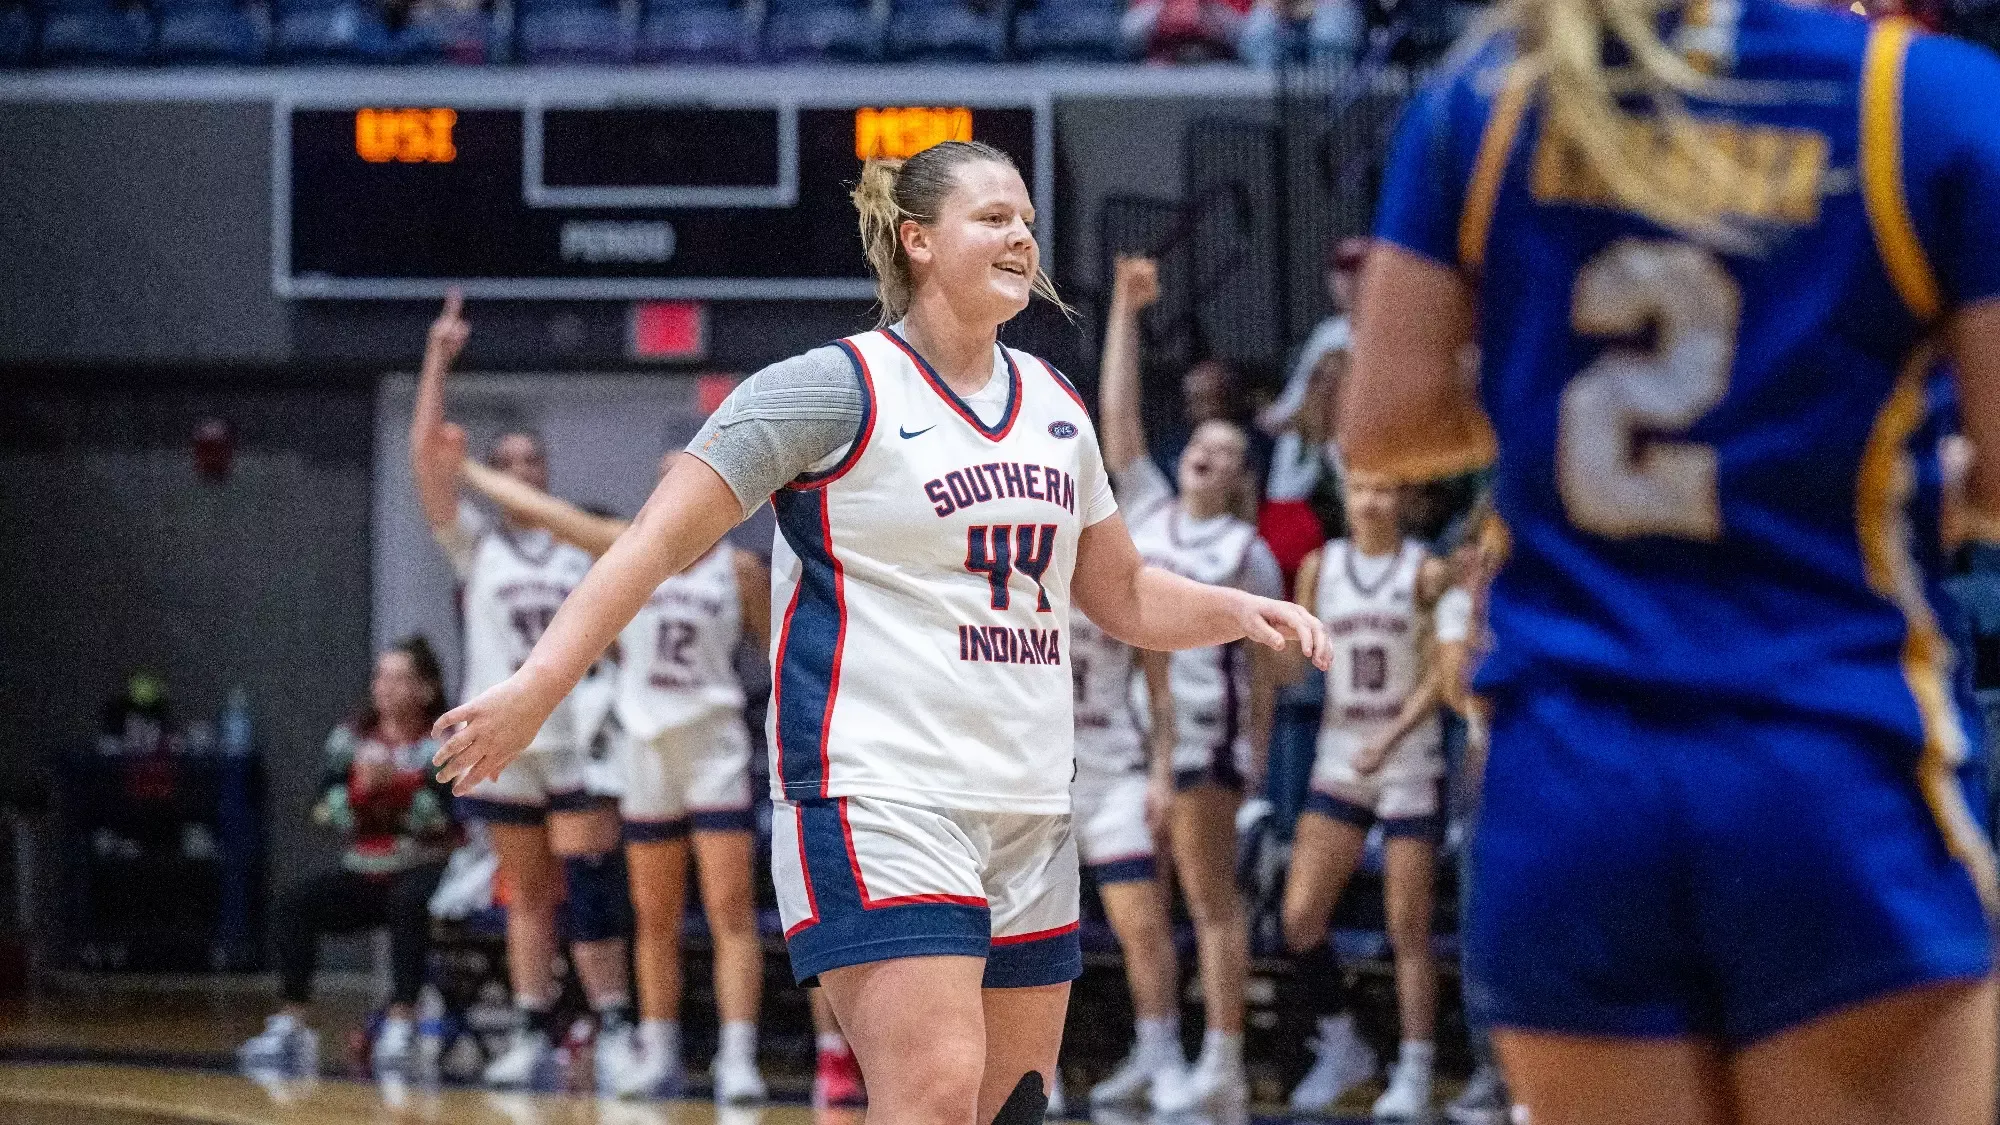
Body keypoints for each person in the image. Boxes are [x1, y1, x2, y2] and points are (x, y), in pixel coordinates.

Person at [430, 139, 1330, 1125]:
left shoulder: (1054, 405)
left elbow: (1118, 596)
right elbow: (648, 545)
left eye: (1026, 219)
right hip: (878, 799)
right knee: (934, 1098)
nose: (1020, 235)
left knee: (1011, 1109)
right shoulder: (828, 389)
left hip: (1027, 803)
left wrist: (1237, 610)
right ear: (916, 241)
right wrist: (536, 686)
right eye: (991, 217)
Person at [1341, 2, 2000, 1121]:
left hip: (1566, 781)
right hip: (1827, 762)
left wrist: (1552, 409)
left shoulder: (1489, 98)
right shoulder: (1922, 97)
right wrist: (1853, 453)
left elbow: (1386, 424)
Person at [458, 455, 773, 1103]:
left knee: (729, 910)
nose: (674, 485)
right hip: (645, 749)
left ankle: (737, 1054)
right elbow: (550, 513)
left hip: (714, 747)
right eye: (662, 476)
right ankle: (658, 1049)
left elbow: (781, 651)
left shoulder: (739, 568)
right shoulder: (631, 549)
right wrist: (467, 468)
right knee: (653, 916)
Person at [407, 292, 635, 1090]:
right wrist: (438, 356)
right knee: (529, 894)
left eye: (528, 463)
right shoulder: (479, 549)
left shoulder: (579, 547)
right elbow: (427, 461)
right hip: (507, 743)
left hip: (576, 737)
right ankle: (534, 1026)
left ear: (543, 474)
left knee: (594, 887)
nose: (517, 474)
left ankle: (614, 1026)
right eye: (504, 465)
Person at [1098, 254, 1286, 1112]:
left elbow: (1266, 668)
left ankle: (1223, 1063)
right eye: (1203, 445)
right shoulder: (1151, 512)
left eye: (1225, 452)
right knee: (1152, 911)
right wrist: (1127, 314)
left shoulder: (1248, 553)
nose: (1208, 455)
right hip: (1144, 741)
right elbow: (1122, 420)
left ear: (1241, 476)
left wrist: (1252, 754)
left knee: (1211, 904)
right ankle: (1161, 1049)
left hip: (1202, 743)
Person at [1282, 472, 1449, 1120]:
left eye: (1384, 489)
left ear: (1403, 498)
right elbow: (1297, 663)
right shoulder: (1321, 567)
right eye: (1360, 489)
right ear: (1345, 497)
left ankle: (1416, 1067)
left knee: (1407, 926)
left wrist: (1394, 733)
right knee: (1300, 916)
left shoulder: (1423, 569)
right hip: (1341, 753)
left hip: (1407, 754)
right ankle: (1344, 1040)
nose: (1372, 499)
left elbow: (1443, 666)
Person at [238, 636, 458, 1074]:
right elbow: (324, 809)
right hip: (364, 865)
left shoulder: (444, 743)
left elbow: (440, 816)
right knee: (296, 902)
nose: (386, 688)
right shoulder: (350, 738)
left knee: (409, 903)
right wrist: (363, 795)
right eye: (381, 677)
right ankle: (292, 1019)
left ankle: (402, 1019)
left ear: (426, 689)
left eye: (400, 679)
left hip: (425, 866)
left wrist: (390, 788)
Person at [1070, 613, 1188, 1109]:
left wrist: (1162, 774)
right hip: (1047, 779)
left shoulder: (1115, 589)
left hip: (1117, 773)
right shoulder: (1019, 584)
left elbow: (1161, 695)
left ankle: (1162, 1053)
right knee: (1025, 928)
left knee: (1141, 925)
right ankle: (1033, 1067)